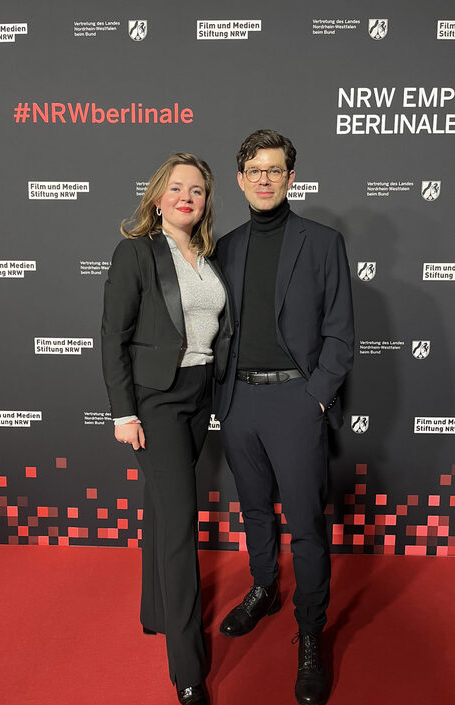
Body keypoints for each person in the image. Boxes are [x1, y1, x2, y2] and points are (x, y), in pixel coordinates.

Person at [215, 130, 354, 705]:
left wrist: (316, 397)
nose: (265, 178)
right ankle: (265, 588)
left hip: (296, 401)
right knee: (253, 510)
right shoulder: (224, 245)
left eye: (276, 169)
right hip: (238, 401)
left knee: (305, 524)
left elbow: (340, 332)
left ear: (291, 178)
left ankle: (310, 633)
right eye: (255, 170)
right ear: (242, 179)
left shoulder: (322, 242)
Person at [101, 152, 233, 705]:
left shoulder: (208, 254)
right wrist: (123, 413)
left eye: (197, 190)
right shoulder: (135, 252)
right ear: (158, 198)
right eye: (177, 188)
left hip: (200, 394)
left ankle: (153, 613)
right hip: (156, 401)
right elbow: (112, 336)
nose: (187, 197)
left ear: (205, 202)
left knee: (162, 508)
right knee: (181, 526)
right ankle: (187, 668)